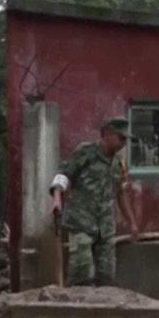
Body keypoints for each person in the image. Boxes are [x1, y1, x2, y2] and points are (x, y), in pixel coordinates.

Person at [49, 117, 131, 286]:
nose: (124, 143)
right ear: (107, 134)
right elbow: (64, 173)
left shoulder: (119, 164)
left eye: (126, 140)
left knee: (107, 276)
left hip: (105, 228)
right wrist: (57, 198)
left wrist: (132, 222)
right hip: (81, 223)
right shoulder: (86, 152)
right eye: (121, 138)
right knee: (82, 274)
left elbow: (121, 193)